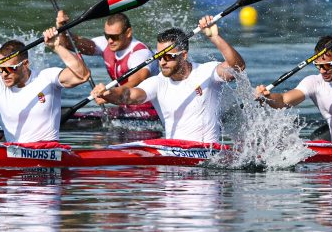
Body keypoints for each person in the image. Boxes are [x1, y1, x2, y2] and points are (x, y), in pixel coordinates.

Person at [90, 17, 245, 144]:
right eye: (159, 56)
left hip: (207, 157)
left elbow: (238, 67)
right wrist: (108, 93)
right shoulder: (158, 83)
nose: (162, 62)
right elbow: (128, 95)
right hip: (173, 162)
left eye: (168, 56)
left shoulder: (206, 72)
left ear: (183, 55)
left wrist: (214, 37)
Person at [55, 9, 156, 116]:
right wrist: (63, 30)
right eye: (107, 36)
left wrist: (109, 94)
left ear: (128, 33)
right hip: (124, 108)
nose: (110, 41)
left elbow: (132, 84)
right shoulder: (106, 44)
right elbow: (72, 44)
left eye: (115, 37)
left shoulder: (140, 54)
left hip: (149, 110)